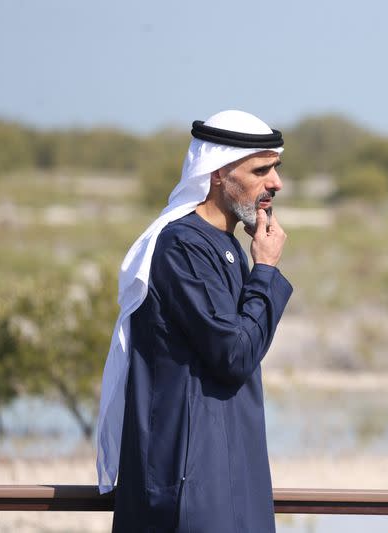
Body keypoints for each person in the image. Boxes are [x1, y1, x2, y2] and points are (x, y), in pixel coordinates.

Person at [95, 110, 293, 532]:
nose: (275, 183)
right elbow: (234, 354)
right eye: (261, 170)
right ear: (218, 173)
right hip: (191, 487)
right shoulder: (182, 246)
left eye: (275, 168)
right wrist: (266, 273)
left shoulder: (223, 245)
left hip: (222, 477)